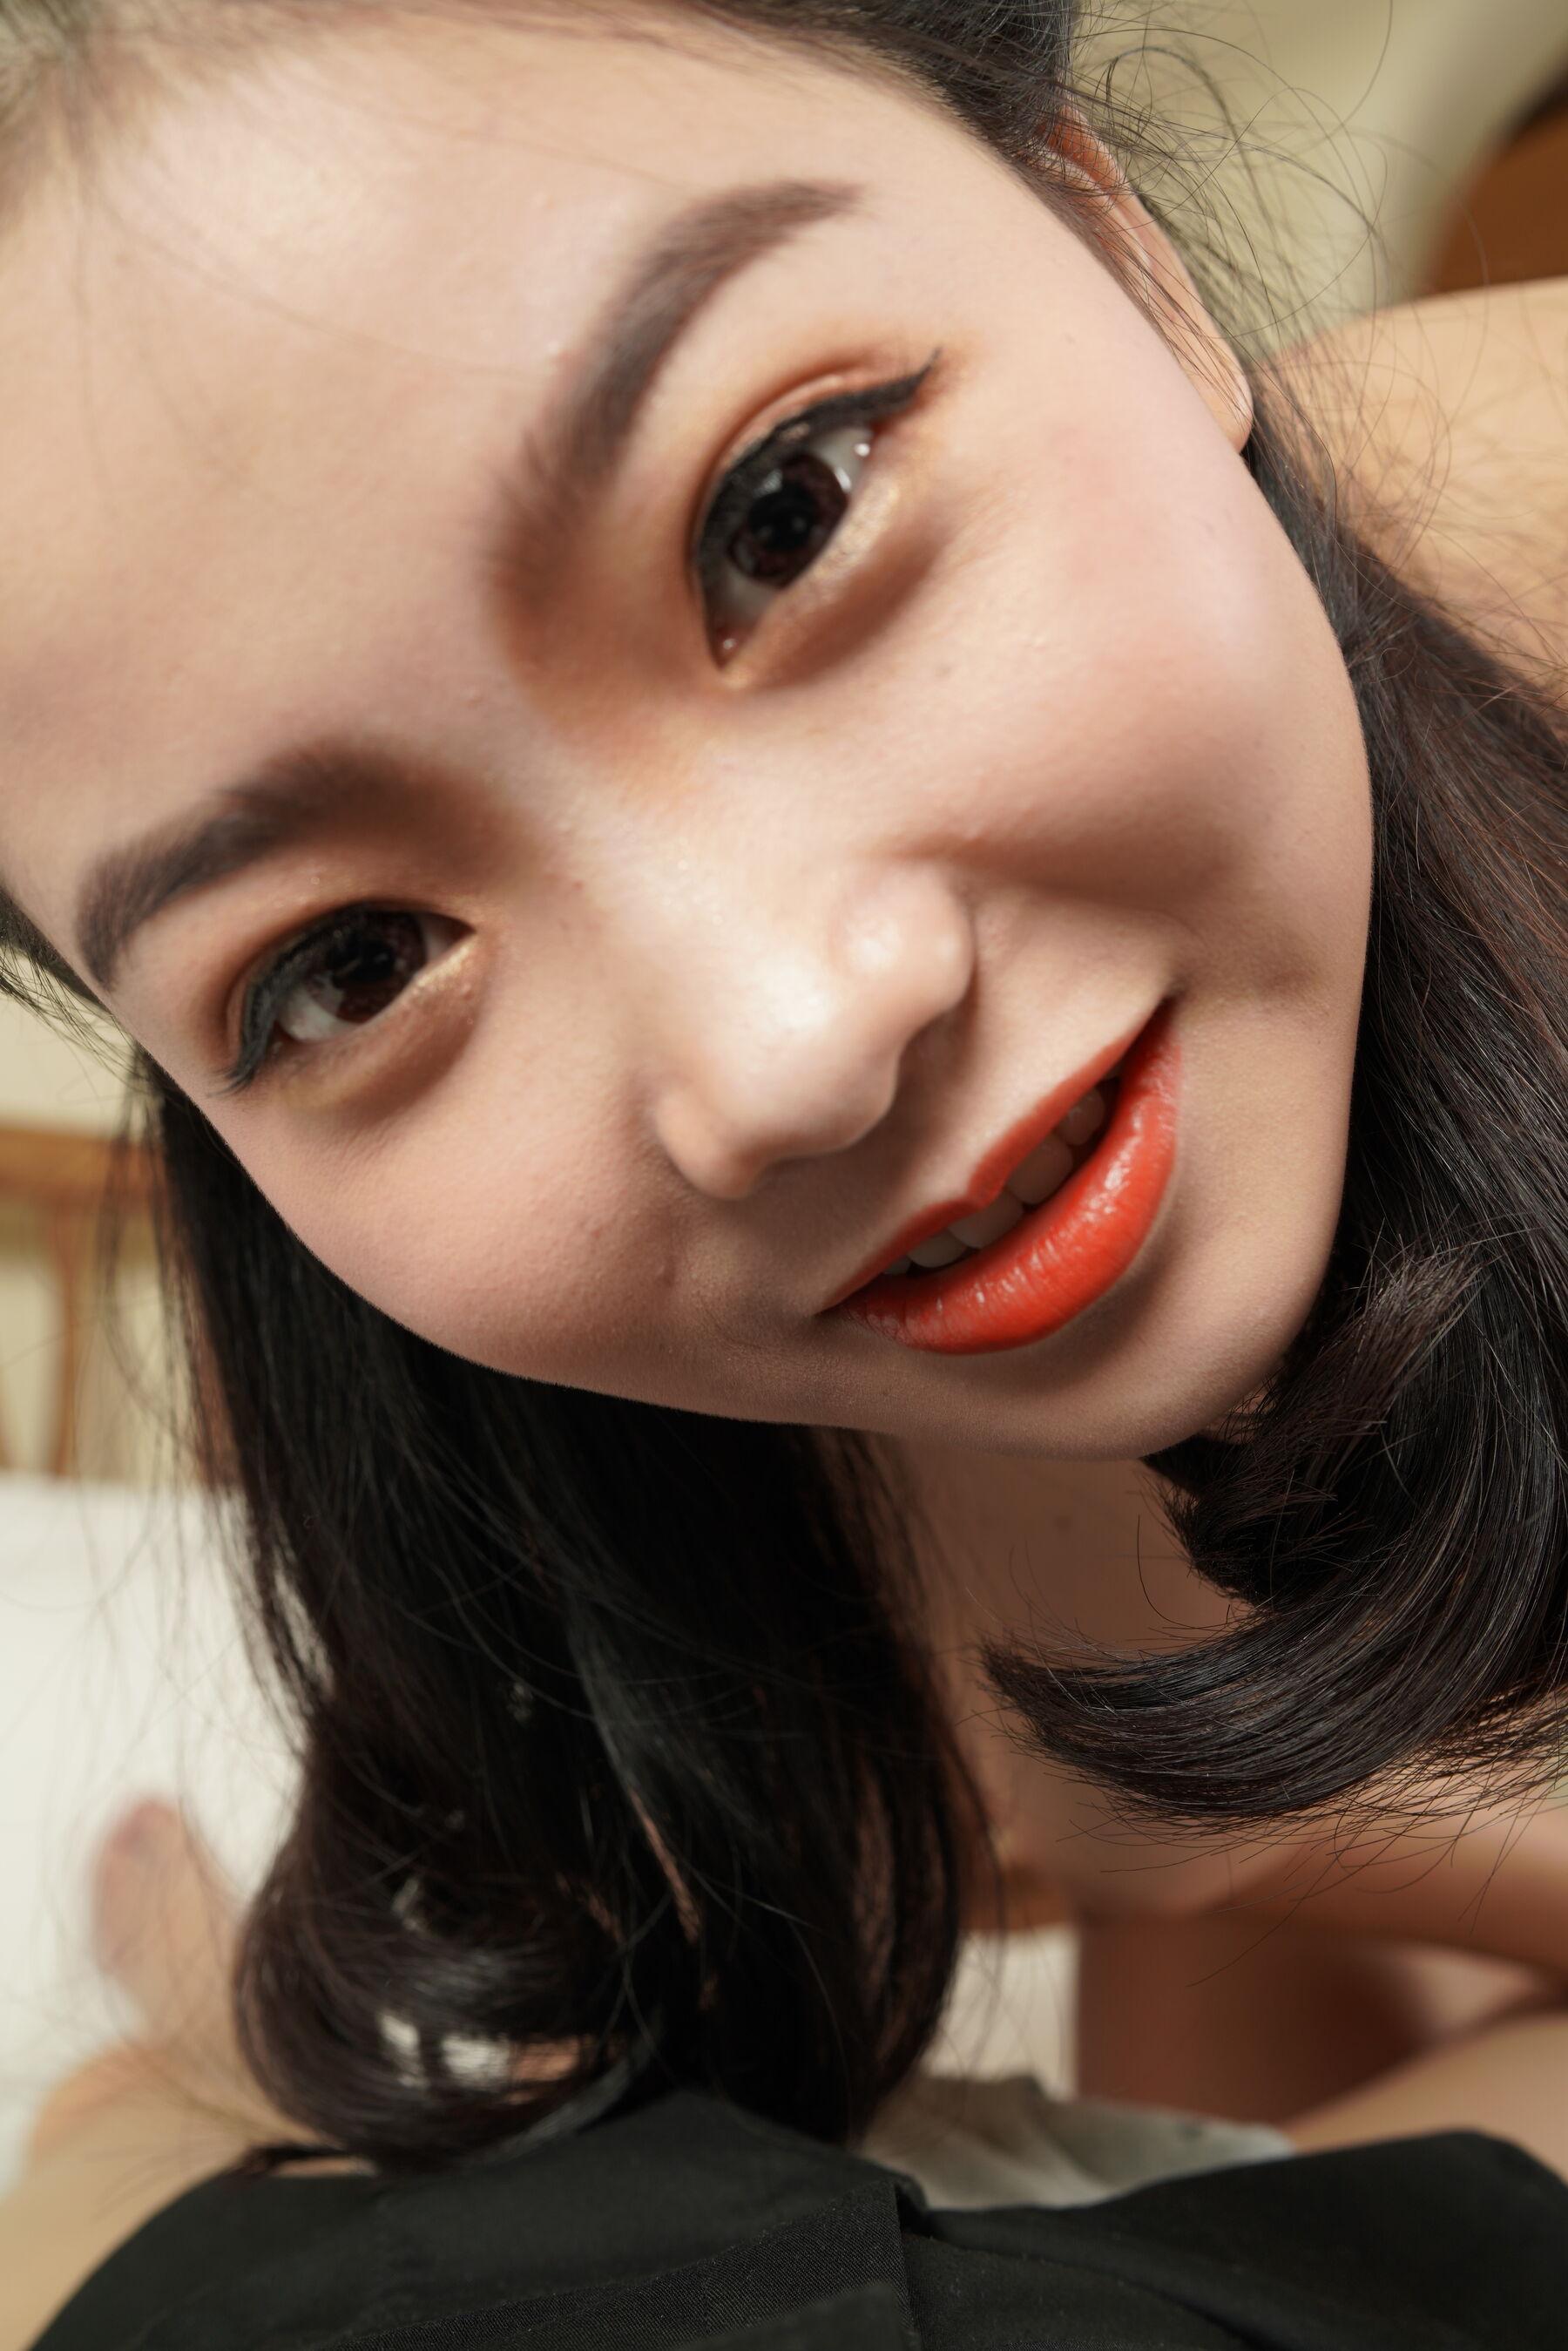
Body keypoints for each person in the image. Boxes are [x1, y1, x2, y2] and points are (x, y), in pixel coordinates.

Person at [0, 0, 1564, 2341]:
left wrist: (1263, 1833)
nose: (787, 1054)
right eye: (347, 966)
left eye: (787, 516)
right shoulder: (694, 1394)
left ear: (1120, 253)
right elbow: (1312, 2160)